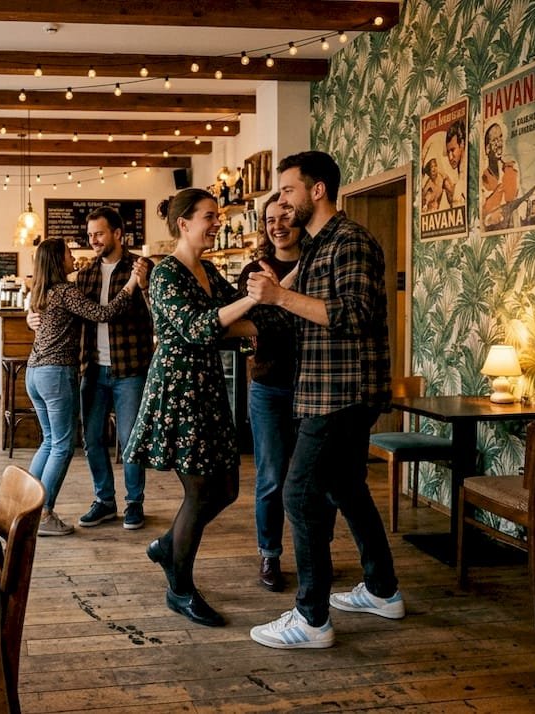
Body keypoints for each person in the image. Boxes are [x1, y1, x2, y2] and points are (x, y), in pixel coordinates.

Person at [247, 151, 401, 650]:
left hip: (342, 392)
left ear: (317, 190)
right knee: (347, 488)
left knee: (297, 494)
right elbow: (301, 315)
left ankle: (311, 619)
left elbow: (353, 315)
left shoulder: (350, 240)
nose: (284, 203)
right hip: (325, 387)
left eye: (289, 190)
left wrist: (279, 298)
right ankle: (382, 590)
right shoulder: (317, 246)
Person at [124, 188, 266, 627]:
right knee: (201, 490)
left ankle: (169, 546)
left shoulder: (206, 270)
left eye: (219, 216)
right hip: (178, 390)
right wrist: (252, 307)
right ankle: (179, 588)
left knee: (226, 488)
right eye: (210, 216)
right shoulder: (167, 274)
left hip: (206, 387)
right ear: (184, 224)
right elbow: (197, 327)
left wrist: (246, 315)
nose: (217, 223)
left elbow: (223, 319)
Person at [26, 238, 145, 537]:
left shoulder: (39, 291)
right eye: (67, 252)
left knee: (49, 441)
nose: (73, 255)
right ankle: (43, 513)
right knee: (63, 446)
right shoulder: (66, 291)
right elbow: (103, 314)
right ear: (56, 260)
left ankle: (25, 507)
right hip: (56, 374)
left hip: (34, 373)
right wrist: (131, 284)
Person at [74, 206, 155, 532]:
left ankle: (134, 503)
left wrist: (146, 285)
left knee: (131, 439)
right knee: (92, 438)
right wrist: (31, 317)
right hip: (93, 369)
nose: (93, 239)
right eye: (90, 234)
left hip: (130, 368)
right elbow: (68, 309)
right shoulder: (86, 274)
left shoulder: (140, 268)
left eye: (99, 233)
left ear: (118, 234)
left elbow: (156, 311)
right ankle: (105, 501)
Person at [238, 195, 301, 592]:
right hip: (269, 383)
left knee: (315, 478)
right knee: (272, 476)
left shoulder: (320, 260)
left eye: (285, 217)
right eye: (270, 219)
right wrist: (285, 298)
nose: (277, 225)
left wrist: (278, 296)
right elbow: (255, 320)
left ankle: (316, 554)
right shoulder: (254, 270)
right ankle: (270, 556)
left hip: (317, 382)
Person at [480, 121, 519, 231]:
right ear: (487, 149)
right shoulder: (483, 178)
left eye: (501, 138)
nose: (499, 143)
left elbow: (512, 199)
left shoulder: (511, 169)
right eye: (494, 140)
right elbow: (483, 214)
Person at [443, 120, 467, 206]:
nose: (450, 157)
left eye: (453, 150)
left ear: (462, 144)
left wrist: (452, 191)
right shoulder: (460, 171)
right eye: (448, 151)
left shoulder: (467, 171)